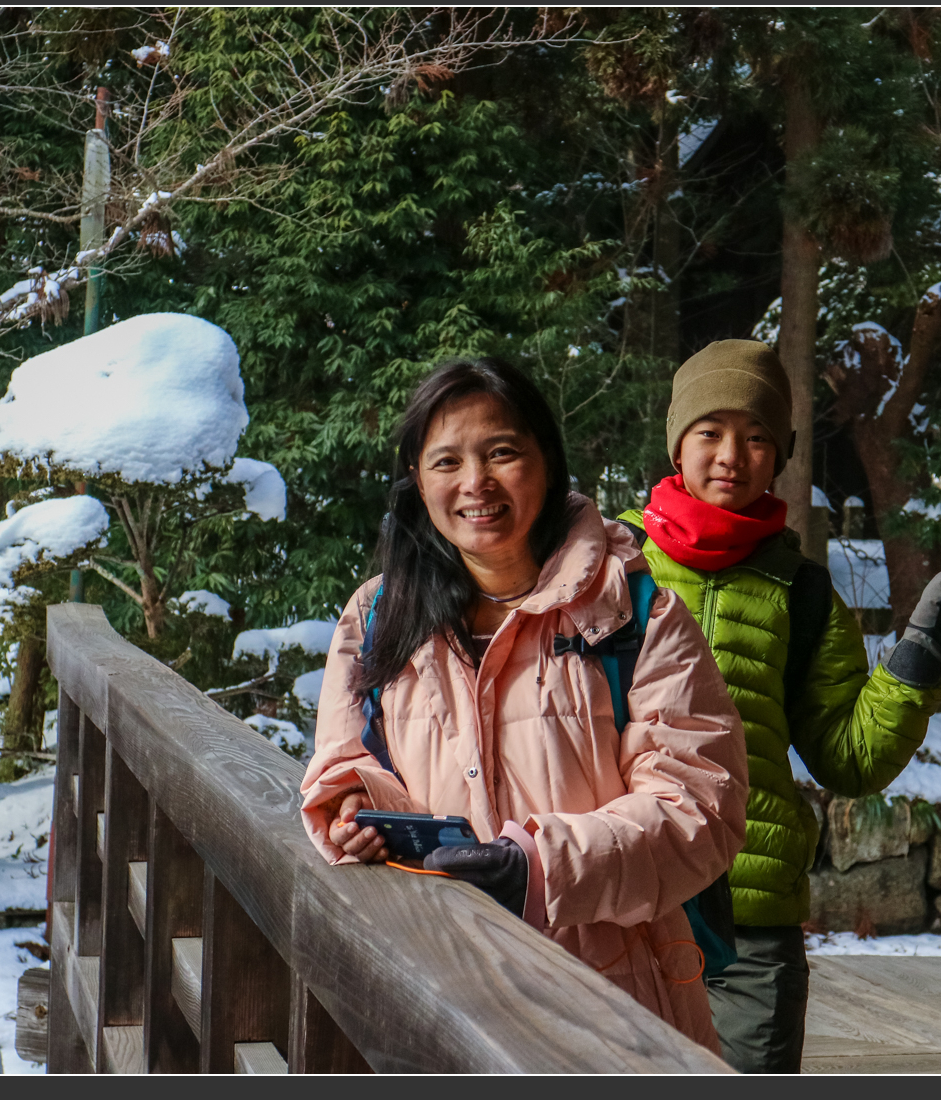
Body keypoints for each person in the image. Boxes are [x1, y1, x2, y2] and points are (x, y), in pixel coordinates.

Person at [300, 356, 749, 1054]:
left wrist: (538, 867)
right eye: (445, 460)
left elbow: (701, 807)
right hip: (434, 991)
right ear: (418, 481)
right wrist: (354, 809)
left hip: (608, 1007)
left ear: (547, 461)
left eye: (501, 452)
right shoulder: (378, 616)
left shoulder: (635, 616)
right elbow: (345, 760)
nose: (475, 482)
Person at [617, 339, 941, 1073]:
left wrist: (919, 657)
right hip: (622, 903)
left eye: (757, 436)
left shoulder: (801, 593)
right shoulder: (613, 564)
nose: (731, 454)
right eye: (710, 431)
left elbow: (851, 758)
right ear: (677, 443)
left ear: (783, 453)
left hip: (752, 927)